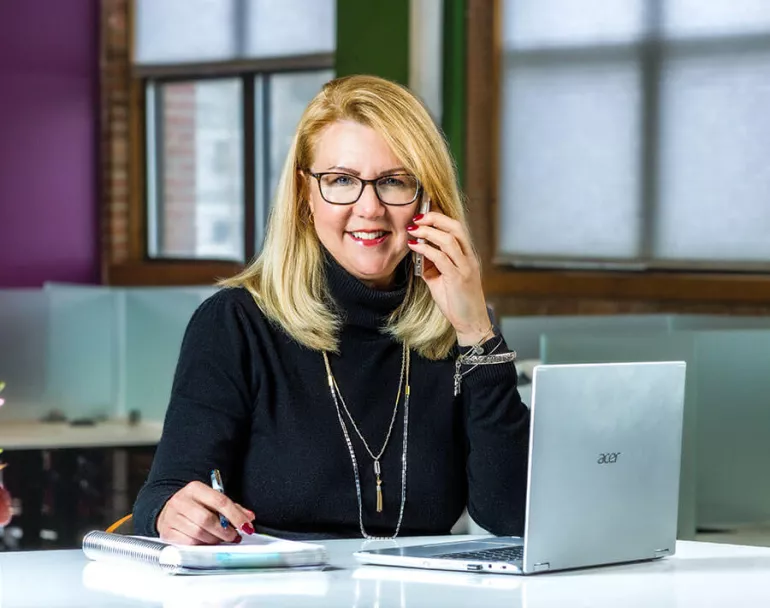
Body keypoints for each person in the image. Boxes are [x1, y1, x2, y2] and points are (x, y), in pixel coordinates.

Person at [133, 74, 529, 544]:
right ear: (305, 194)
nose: (370, 207)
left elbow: (511, 515)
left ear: (427, 197)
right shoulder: (235, 323)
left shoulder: (459, 331)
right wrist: (169, 511)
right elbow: (165, 495)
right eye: (341, 180)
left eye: (394, 181)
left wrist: (476, 331)